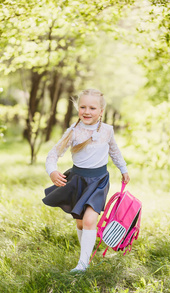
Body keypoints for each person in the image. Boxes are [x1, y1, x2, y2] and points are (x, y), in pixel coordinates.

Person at [42, 88, 130, 272]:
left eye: (92, 108)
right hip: (78, 181)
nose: (87, 111)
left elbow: (114, 151)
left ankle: (83, 265)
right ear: (78, 109)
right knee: (81, 221)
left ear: (101, 111)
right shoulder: (73, 132)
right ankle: (86, 254)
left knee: (90, 220)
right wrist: (52, 172)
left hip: (98, 181)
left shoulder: (107, 130)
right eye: (83, 107)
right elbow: (52, 155)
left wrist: (123, 169)